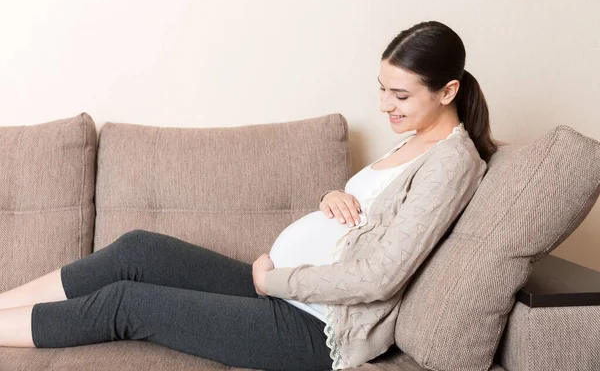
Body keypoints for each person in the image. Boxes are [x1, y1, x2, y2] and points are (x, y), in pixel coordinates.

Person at [0, 20, 498, 371]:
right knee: (138, 248)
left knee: (130, 303)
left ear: (448, 91)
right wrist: (333, 196)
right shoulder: (416, 140)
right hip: (287, 293)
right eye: (383, 89)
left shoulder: (452, 162)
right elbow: (373, 213)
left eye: (401, 95)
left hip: (316, 329)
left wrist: (272, 279)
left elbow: (381, 274)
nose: (384, 104)